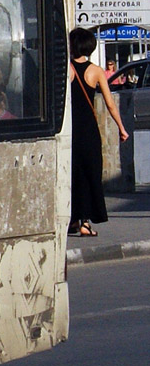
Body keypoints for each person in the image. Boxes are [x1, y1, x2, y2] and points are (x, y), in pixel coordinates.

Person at [69, 27, 129, 237]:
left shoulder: (66, 69)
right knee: (90, 173)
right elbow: (110, 103)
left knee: (73, 174)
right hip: (88, 130)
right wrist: (121, 128)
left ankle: (73, 219)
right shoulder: (95, 71)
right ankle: (86, 222)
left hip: (69, 129)